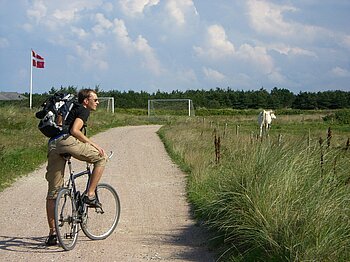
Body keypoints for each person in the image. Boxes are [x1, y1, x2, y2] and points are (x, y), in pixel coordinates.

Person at [44, 89, 107, 246]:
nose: (97, 102)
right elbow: (74, 130)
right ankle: (90, 194)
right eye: (96, 99)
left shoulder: (69, 108)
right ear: (86, 101)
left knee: (53, 192)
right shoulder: (83, 109)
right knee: (101, 158)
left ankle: (53, 234)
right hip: (67, 141)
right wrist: (93, 144)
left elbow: (60, 124)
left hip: (53, 143)